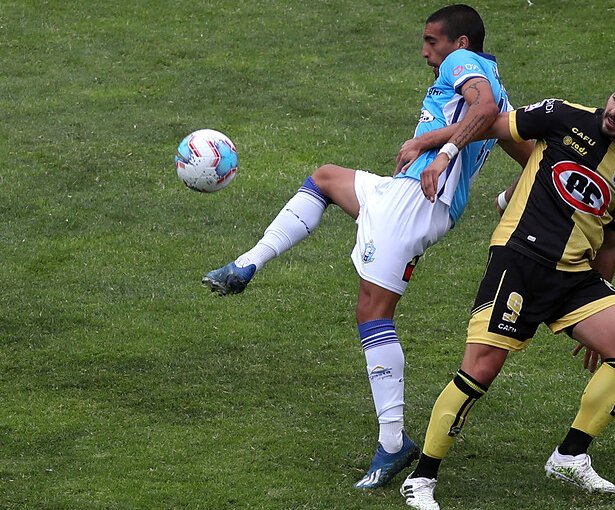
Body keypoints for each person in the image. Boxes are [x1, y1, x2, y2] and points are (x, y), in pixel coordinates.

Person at [201, 4, 532, 489]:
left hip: (417, 201)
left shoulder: (463, 67)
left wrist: (436, 154)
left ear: (459, 44)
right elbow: (516, 141)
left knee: (373, 315)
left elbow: (479, 113)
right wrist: (512, 192)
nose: (425, 52)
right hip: (407, 195)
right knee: (326, 179)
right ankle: (246, 264)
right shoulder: (496, 87)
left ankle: (394, 444)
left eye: (432, 42)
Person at [400, 67, 615, 510]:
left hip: (576, 276)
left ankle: (570, 455)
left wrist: (601, 304)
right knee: (481, 369)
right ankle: (422, 478)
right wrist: (441, 150)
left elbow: (613, 242)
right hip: (520, 262)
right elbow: (491, 123)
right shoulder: (561, 115)